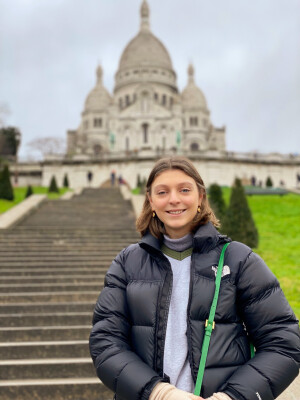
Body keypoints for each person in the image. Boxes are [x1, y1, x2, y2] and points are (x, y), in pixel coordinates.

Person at [89, 156, 299, 400]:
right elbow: (106, 343)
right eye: (162, 192)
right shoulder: (127, 263)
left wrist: (231, 397)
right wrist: (159, 393)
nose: (174, 199)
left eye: (184, 189)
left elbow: (283, 343)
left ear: (200, 196)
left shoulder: (239, 260)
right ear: (151, 201)